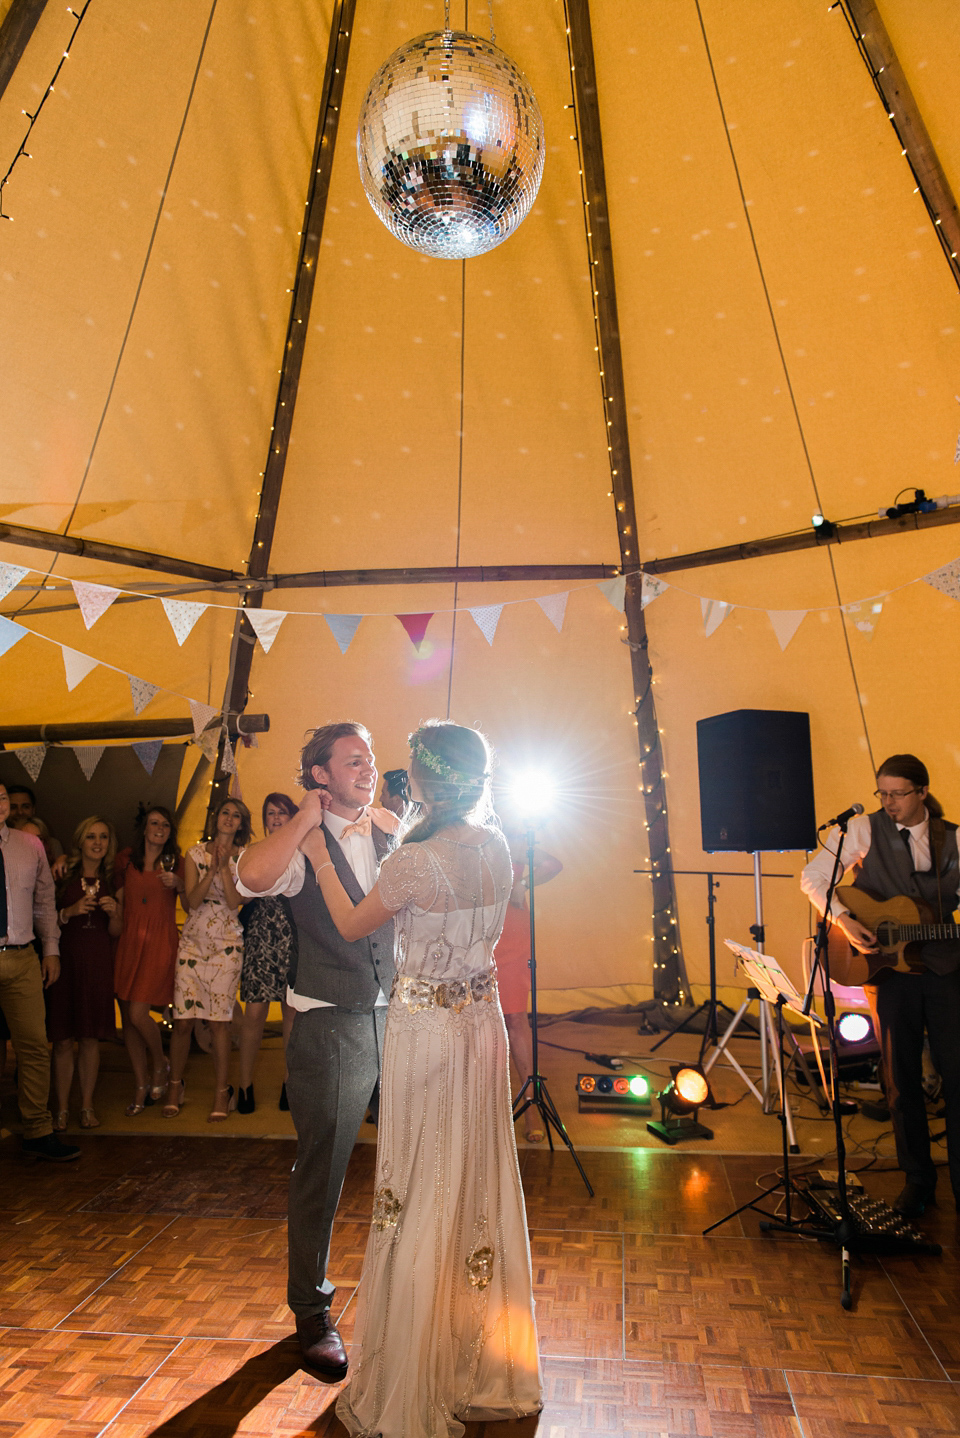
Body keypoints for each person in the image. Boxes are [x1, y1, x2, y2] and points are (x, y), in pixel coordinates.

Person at [310, 721, 541, 1437]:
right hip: (481, 1025)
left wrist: (321, 853)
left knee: (417, 1186)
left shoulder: (415, 863)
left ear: (429, 779)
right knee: (470, 1178)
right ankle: (472, 1360)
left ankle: (415, 1376)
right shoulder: (499, 847)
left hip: (427, 1030)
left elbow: (352, 925)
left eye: (409, 770)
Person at [236, 721, 397, 1379]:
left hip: (404, 1018)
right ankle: (311, 1310)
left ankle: (405, 1298)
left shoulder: (391, 826)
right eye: (353, 760)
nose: (368, 766)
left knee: (415, 1158)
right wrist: (304, 819)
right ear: (320, 773)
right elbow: (247, 879)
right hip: (330, 1023)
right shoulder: (300, 844)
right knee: (324, 1168)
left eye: (371, 757)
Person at [801, 753, 960, 1221]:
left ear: (922, 793)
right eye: (882, 793)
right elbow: (813, 878)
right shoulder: (861, 830)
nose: (888, 803)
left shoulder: (953, 839)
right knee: (900, 1080)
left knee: (957, 1075)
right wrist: (846, 922)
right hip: (889, 973)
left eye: (898, 794)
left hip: (946, 967)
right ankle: (918, 1180)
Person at [0, 781, 78, 1161]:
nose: (0, 804)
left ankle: (38, 1129)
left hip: (22, 956)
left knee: (33, 1044)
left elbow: (45, 901)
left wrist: (51, 950)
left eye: (2, 798)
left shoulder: (28, 845)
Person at [164, 797, 249, 1122]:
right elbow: (192, 903)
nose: (229, 819)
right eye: (225, 813)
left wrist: (225, 867)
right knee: (183, 1019)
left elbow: (232, 902)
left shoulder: (244, 857)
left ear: (241, 824)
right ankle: (174, 1085)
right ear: (216, 818)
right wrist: (210, 868)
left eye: (236, 816)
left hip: (227, 941)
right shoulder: (194, 853)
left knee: (219, 1021)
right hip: (194, 940)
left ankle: (221, 1090)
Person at [48, 816, 123, 1130]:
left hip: (97, 964)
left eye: (103, 837)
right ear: (80, 841)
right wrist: (68, 912)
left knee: (91, 1038)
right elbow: (44, 918)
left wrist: (115, 913)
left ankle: (87, 1106)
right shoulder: (62, 874)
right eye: (91, 836)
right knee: (63, 1040)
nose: (97, 843)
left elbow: (117, 930)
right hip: (64, 963)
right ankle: (62, 1109)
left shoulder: (113, 879)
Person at [495, 819, 563, 1144]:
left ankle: (530, 1106)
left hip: (511, 935)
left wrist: (521, 880)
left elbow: (552, 864)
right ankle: (484, 1105)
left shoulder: (518, 838)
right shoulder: (472, 831)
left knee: (515, 1018)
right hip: (475, 934)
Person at [114, 806, 184, 1115]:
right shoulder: (125, 859)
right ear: (144, 828)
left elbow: (192, 899)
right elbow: (118, 898)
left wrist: (179, 885)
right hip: (129, 941)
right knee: (129, 1018)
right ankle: (140, 1086)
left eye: (165, 824)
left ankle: (160, 1062)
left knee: (140, 1013)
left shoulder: (177, 862)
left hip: (159, 942)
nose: (159, 828)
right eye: (154, 823)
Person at [236, 792, 299, 1114]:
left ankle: (290, 1085)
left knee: (291, 1012)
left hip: (292, 938)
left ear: (293, 818)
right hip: (262, 937)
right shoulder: (255, 852)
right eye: (271, 813)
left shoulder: (303, 852)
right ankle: (244, 1086)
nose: (276, 818)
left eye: (282, 813)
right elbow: (240, 896)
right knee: (255, 1013)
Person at [6, 784, 63, 859]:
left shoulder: (53, 845)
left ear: (33, 809)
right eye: (13, 807)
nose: (20, 812)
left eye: (26, 807)